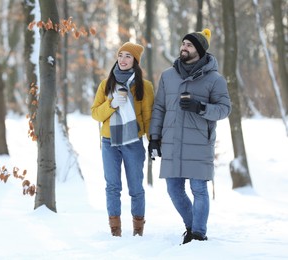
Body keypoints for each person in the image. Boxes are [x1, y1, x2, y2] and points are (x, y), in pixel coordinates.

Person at [148, 28, 231, 244]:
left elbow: (224, 108)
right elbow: (159, 108)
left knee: (199, 189)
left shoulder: (214, 79)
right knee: (174, 189)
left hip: (199, 142)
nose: (184, 47)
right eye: (183, 43)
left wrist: (200, 107)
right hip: (172, 141)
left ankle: (198, 234)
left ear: (200, 50)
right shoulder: (168, 76)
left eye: (189, 45)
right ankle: (191, 226)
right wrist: (154, 138)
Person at [91, 42, 154, 237]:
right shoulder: (106, 84)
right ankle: (115, 231)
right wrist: (112, 104)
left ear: (135, 61)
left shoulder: (145, 87)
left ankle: (138, 230)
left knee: (136, 188)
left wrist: (153, 141)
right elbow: (95, 114)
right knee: (112, 187)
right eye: (120, 55)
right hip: (109, 142)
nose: (123, 59)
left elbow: (149, 116)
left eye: (128, 56)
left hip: (133, 143)